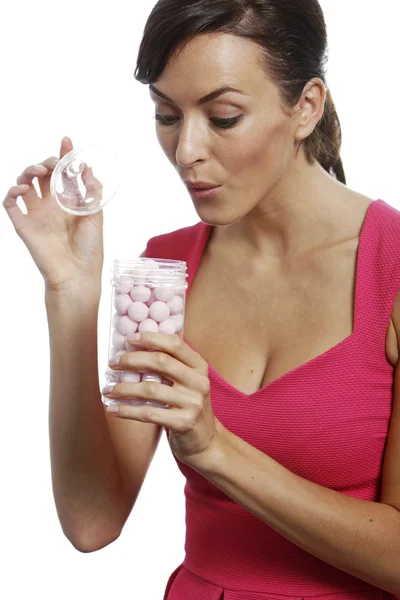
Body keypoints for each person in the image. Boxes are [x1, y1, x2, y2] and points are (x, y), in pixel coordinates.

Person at [3, 0, 400, 598]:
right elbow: (92, 522)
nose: (186, 150)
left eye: (223, 117)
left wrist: (214, 448)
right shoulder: (167, 271)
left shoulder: (390, 270)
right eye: (167, 114)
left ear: (306, 107)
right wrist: (71, 290)